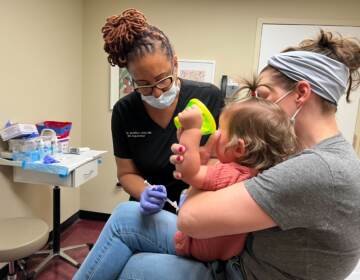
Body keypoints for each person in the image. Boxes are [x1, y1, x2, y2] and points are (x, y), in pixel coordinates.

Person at [74, 30, 360, 280]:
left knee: (137, 267)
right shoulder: (303, 153)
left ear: (301, 93)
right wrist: (202, 161)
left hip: (239, 268)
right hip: (238, 249)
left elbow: (190, 217)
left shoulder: (317, 169)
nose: (256, 109)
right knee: (126, 214)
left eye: (263, 95)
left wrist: (201, 161)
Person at [104, 8, 224, 214]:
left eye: (163, 80)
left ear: (175, 64)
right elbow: (126, 173)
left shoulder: (208, 97)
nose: (157, 93)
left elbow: (222, 159)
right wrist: (144, 193)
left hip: (199, 204)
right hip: (150, 210)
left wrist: (197, 188)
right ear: (131, 79)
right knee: (121, 220)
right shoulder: (125, 111)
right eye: (143, 85)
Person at [173, 97, 299, 262]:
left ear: (239, 148)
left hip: (196, 251)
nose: (215, 133)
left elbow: (190, 173)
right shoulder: (258, 175)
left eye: (220, 129)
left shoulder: (230, 173)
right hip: (224, 255)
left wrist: (191, 131)